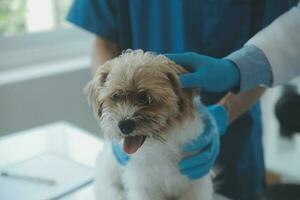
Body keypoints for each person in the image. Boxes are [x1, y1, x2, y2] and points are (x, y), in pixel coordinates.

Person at [67, 1, 299, 199]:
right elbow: (103, 40)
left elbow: (280, 49)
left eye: (144, 99)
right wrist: (109, 91)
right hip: (140, 156)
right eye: (117, 98)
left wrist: (225, 108)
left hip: (233, 139)